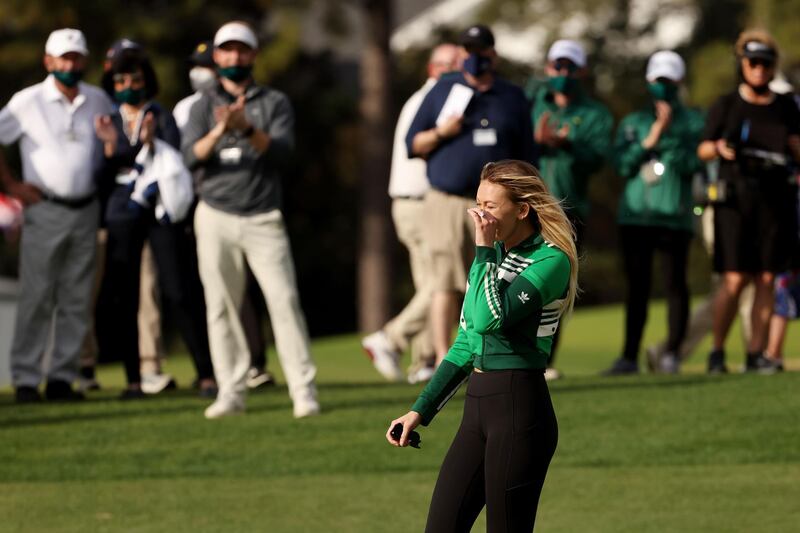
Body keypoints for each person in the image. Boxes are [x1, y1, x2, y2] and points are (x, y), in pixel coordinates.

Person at [388, 159, 577, 532]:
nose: (478, 214)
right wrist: (420, 410)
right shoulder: (492, 256)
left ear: (522, 210)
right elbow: (465, 342)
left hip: (519, 407)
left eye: (490, 206)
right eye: (478, 203)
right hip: (477, 410)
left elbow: (493, 318)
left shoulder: (550, 260)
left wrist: (484, 251)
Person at [182, 21, 319, 419]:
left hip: (262, 215)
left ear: (253, 55)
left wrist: (248, 129)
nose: (234, 57)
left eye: (242, 50)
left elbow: (281, 154)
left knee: (284, 301)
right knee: (220, 306)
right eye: (227, 50)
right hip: (215, 214)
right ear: (217, 57)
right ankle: (230, 392)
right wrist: (224, 127)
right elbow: (191, 156)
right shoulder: (202, 105)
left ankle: (303, 390)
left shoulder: (273, 101)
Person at [405, 24, 535, 367]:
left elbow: (526, 155)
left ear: (492, 54)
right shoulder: (442, 90)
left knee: (496, 277)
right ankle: (446, 360)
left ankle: (492, 354)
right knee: (445, 281)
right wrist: (441, 132)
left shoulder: (511, 96)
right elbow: (413, 144)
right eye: (468, 50)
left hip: (499, 204)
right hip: (447, 199)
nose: (473, 57)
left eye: (480, 50)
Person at [93, 49, 217, 399]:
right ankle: (133, 379)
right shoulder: (108, 121)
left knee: (179, 290)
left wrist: (146, 142)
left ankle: (205, 374)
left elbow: (176, 158)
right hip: (122, 214)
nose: (129, 86)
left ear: (147, 80)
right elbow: (100, 177)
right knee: (125, 296)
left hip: (161, 212)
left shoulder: (159, 116)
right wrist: (108, 150)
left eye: (135, 79)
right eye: (121, 80)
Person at [0, 28, 114, 403]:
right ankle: (28, 379)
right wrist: (13, 186)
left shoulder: (98, 99)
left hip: (86, 209)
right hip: (44, 208)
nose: (71, 64)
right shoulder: (28, 100)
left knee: (76, 298)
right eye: (64, 58)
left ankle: (63, 377)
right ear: (48, 61)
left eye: (77, 57)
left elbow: (115, 147)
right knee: (37, 296)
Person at [698, 29, 800, 373]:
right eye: (753, 63)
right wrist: (720, 149)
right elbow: (703, 148)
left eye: (765, 64)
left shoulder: (786, 106)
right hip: (735, 203)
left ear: (772, 68)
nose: (758, 69)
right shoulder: (727, 105)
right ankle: (717, 350)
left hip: (775, 203)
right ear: (743, 65)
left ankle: (757, 354)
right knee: (734, 278)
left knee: (767, 278)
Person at [361, 43, 459, 384]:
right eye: (451, 64)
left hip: (412, 203)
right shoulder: (436, 100)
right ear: (434, 68)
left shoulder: (430, 98)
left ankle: (423, 362)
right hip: (420, 203)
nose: (459, 69)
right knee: (441, 281)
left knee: (429, 281)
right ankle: (390, 339)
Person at [602, 51, 704, 375]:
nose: (663, 86)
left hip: (674, 217)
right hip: (635, 219)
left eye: (669, 81)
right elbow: (620, 164)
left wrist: (669, 134)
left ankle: (672, 353)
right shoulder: (634, 122)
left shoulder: (694, 122)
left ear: (679, 82)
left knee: (676, 286)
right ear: (649, 81)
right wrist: (650, 139)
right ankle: (629, 356)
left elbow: (694, 164)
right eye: (658, 80)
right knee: (637, 288)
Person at [529, 39, 613, 380]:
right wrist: (534, 141)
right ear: (548, 68)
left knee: (556, 287)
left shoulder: (595, 113)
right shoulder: (531, 103)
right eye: (557, 66)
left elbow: (598, 159)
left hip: (568, 209)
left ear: (581, 72)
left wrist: (567, 144)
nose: (562, 73)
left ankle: (545, 359)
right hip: (525, 206)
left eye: (569, 68)